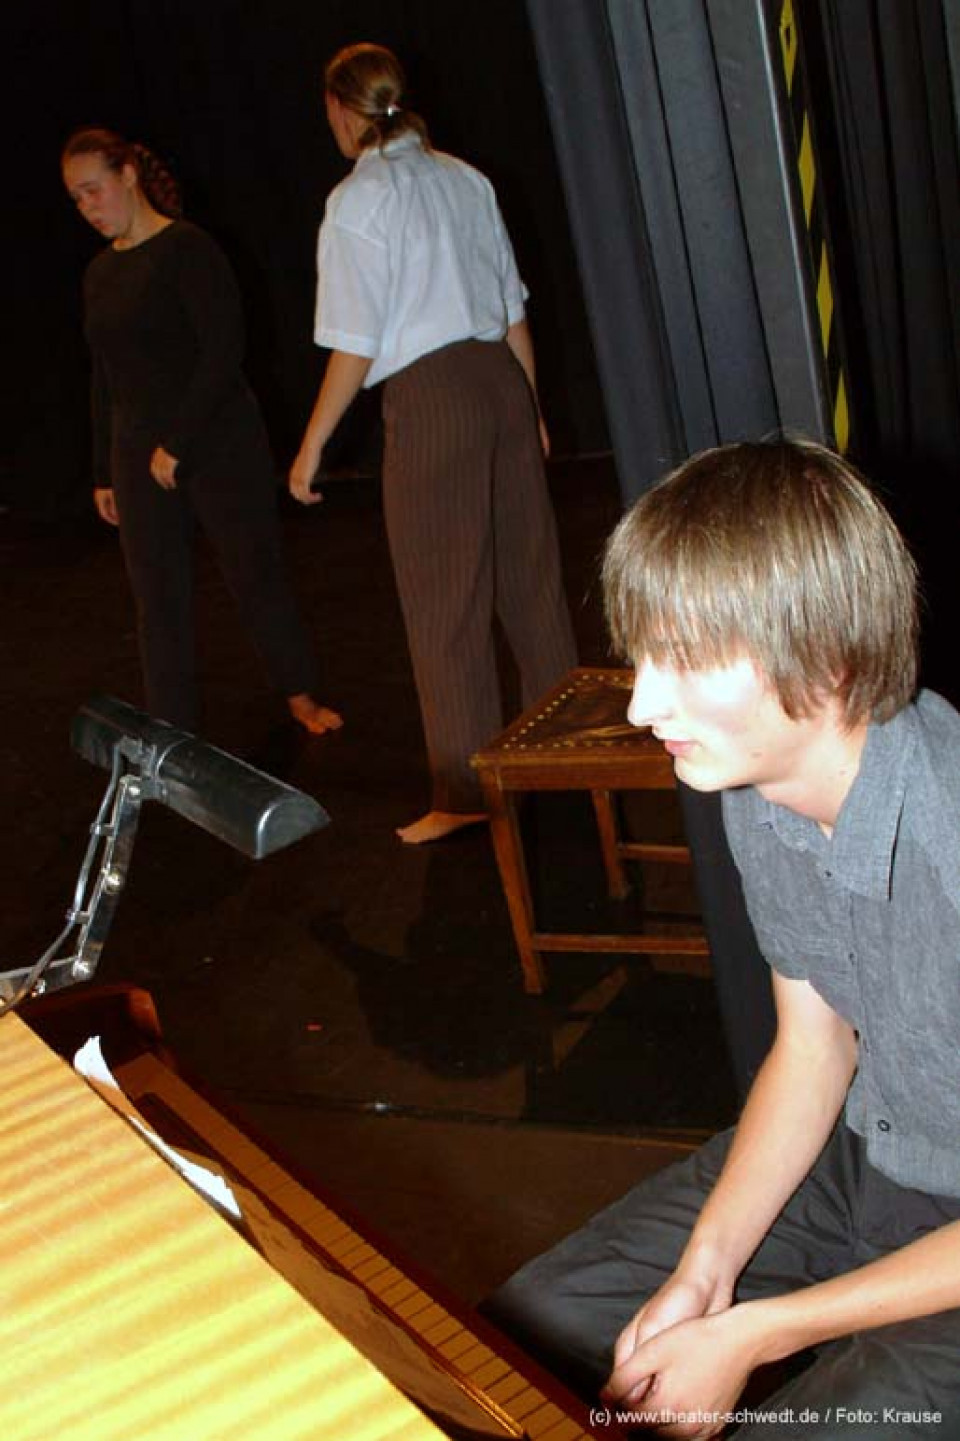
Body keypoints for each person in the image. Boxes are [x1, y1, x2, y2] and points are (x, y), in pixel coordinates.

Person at [487, 438, 960, 1438]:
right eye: (643, 654)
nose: (641, 703)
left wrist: (758, 1328)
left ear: (828, 658)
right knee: (529, 1332)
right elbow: (814, 1045)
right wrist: (705, 1274)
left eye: (689, 659)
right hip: (871, 1152)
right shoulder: (756, 786)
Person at [289, 43, 576, 844]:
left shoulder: (358, 200)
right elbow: (511, 306)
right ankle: (567, 760)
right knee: (531, 582)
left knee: (443, 603)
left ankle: (465, 792)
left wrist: (311, 445)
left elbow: (355, 340)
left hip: (433, 397)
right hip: (498, 381)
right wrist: (530, 405)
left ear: (339, 108)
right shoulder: (465, 178)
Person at [62, 126, 341, 737]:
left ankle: (299, 693)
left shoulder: (188, 248)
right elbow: (104, 376)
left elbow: (223, 351)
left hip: (216, 438)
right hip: (138, 450)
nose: (87, 208)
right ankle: (172, 732)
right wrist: (104, 470)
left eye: (93, 190)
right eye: (76, 198)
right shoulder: (99, 274)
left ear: (128, 176)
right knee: (156, 597)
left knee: (253, 573)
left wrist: (178, 443)